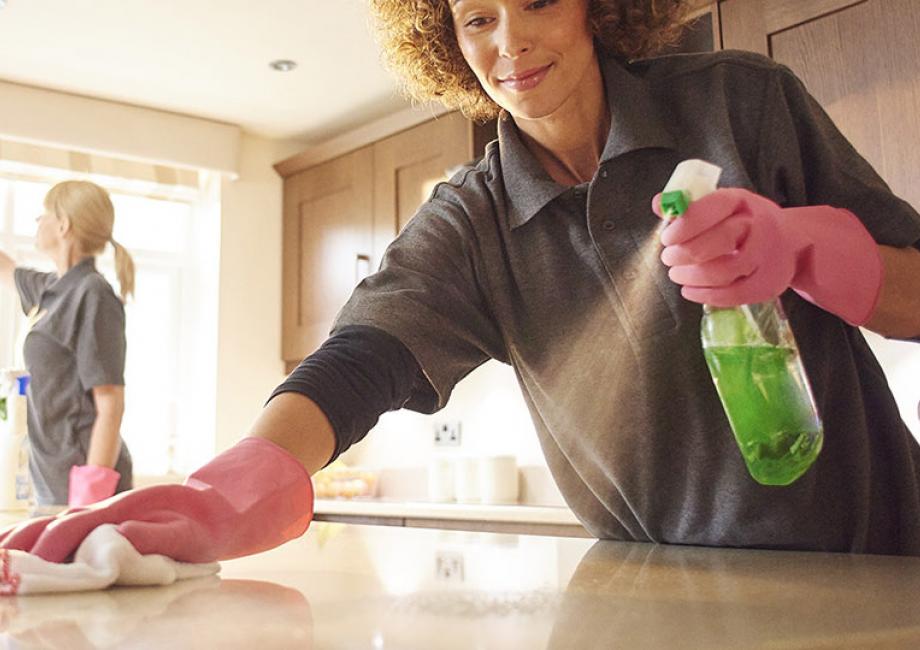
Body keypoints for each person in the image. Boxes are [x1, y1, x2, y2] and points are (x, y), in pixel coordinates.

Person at [2, 0, 920, 564]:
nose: (510, 43)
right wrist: (242, 480)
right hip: (665, 586)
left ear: (594, 6)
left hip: (875, 557)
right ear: (445, 37)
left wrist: (808, 251)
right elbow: (362, 359)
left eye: (539, 0)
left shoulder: (739, 103)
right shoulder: (473, 218)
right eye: (476, 17)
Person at [0, 180, 135, 508]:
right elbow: (4, 268)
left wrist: (88, 501)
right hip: (49, 483)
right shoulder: (50, 289)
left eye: (44, 214)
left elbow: (110, 404)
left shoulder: (92, 294)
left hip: (83, 490)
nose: (37, 221)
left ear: (63, 225)